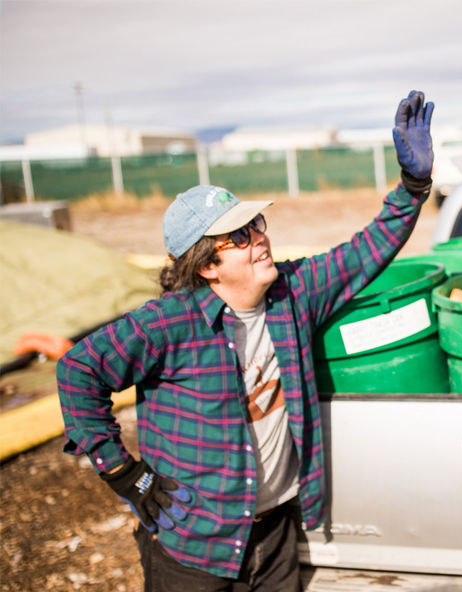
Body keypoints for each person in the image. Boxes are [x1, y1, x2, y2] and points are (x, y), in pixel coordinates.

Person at [56, 90, 435, 591]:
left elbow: (367, 250)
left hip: (275, 536)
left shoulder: (294, 292)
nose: (258, 237)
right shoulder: (168, 324)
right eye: (238, 236)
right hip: (193, 549)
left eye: (255, 224)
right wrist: (123, 473)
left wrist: (413, 185)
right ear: (207, 266)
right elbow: (78, 370)